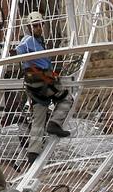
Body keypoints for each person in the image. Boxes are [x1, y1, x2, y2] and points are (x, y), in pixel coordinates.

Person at [16, 11, 72, 163]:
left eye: (40, 25)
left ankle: (33, 153)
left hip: (36, 85)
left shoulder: (39, 42)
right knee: (66, 98)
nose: (38, 28)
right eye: (35, 26)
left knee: (38, 118)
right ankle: (54, 123)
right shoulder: (28, 41)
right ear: (29, 27)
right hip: (41, 82)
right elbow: (19, 50)